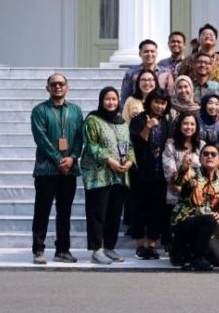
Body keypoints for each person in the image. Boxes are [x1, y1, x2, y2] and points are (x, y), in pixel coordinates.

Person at [30, 73, 84, 264]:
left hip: (69, 170)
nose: (57, 87)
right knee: (42, 210)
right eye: (53, 84)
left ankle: (63, 250)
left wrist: (73, 157)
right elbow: (40, 138)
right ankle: (38, 249)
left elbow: (79, 137)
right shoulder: (39, 111)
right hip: (46, 170)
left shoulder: (76, 111)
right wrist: (58, 159)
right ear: (48, 88)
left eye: (61, 84)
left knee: (65, 212)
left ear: (67, 87)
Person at [80, 87, 135, 264]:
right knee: (98, 213)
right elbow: (91, 145)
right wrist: (109, 160)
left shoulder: (122, 122)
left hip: (119, 175)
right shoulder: (93, 120)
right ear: (101, 101)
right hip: (99, 175)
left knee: (114, 213)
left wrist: (129, 162)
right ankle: (97, 250)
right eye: (107, 99)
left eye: (114, 99)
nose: (111, 102)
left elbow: (130, 146)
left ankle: (109, 247)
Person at [170, 143, 219, 271]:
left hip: (206, 226)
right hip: (184, 222)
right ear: (200, 158)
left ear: (218, 159)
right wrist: (183, 168)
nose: (209, 156)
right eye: (206, 154)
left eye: (213, 154)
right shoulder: (191, 172)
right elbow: (176, 182)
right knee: (209, 219)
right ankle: (196, 257)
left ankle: (186, 253)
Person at [129, 88, 171, 260]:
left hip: (159, 172)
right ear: (150, 102)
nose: (160, 106)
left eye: (163, 103)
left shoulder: (166, 123)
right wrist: (147, 126)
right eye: (157, 102)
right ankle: (140, 245)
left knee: (156, 209)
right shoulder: (139, 119)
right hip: (141, 171)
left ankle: (152, 245)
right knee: (139, 208)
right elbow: (137, 144)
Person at [162, 112, 204, 256]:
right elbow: (171, 175)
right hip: (176, 196)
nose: (189, 127)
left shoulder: (202, 145)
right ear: (179, 126)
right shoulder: (170, 146)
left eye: (192, 124)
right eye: (185, 124)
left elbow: (206, 171)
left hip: (199, 197)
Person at [120, 39, 174, 105]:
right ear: (140, 53)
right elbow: (125, 96)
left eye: (152, 51)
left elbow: (171, 95)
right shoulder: (131, 73)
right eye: (146, 51)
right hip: (137, 110)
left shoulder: (165, 72)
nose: (149, 54)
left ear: (156, 53)